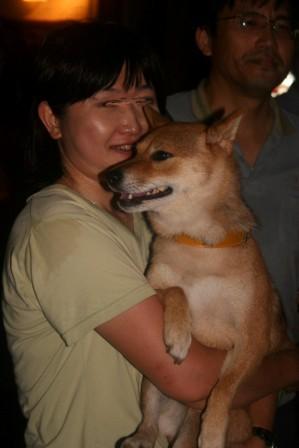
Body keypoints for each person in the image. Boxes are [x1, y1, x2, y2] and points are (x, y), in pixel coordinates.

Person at [2, 20, 299, 448]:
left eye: (144, 100)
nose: (133, 122)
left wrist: (257, 432)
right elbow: (193, 380)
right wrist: (291, 364)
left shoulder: (152, 215)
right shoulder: (61, 230)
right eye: (108, 104)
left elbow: (258, 324)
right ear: (53, 120)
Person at [166, 0, 299, 445]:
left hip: (283, 391)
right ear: (205, 38)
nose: (268, 38)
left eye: (281, 25)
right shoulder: (154, 129)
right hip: (170, 389)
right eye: (248, 21)